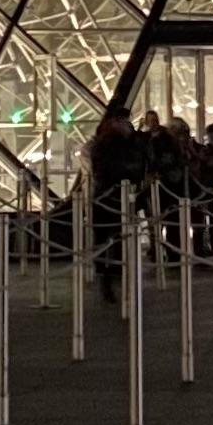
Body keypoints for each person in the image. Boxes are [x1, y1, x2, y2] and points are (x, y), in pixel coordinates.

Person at [85, 111, 139, 303]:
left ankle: (106, 271)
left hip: (104, 195)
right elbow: (131, 167)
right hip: (116, 195)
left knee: (104, 236)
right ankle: (114, 270)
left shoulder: (101, 145)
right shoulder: (121, 145)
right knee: (116, 236)